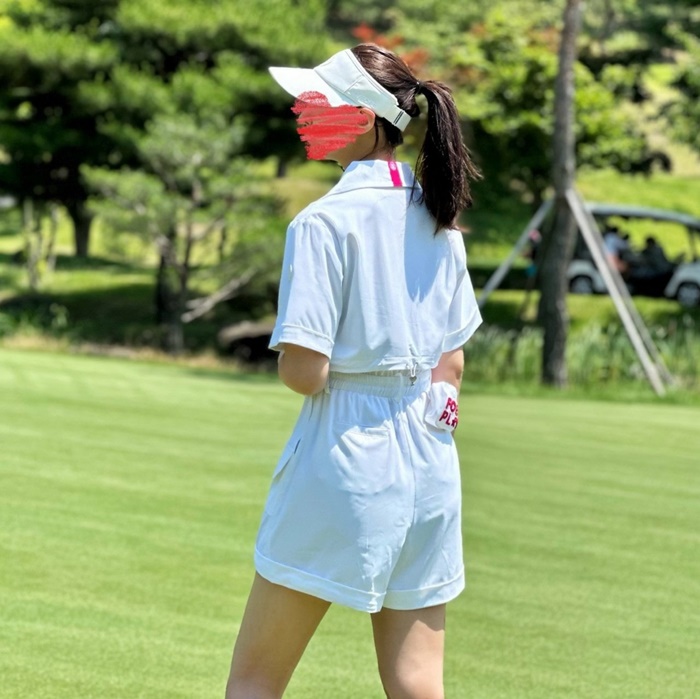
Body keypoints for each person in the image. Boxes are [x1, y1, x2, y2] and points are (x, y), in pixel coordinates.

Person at [225, 43, 482, 699]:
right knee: (417, 681)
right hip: (431, 460)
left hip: (344, 452)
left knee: (255, 680)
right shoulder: (440, 219)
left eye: (320, 103)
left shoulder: (321, 223)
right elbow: (451, 364)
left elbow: (305, 372)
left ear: (364, 118)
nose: (303, 113)